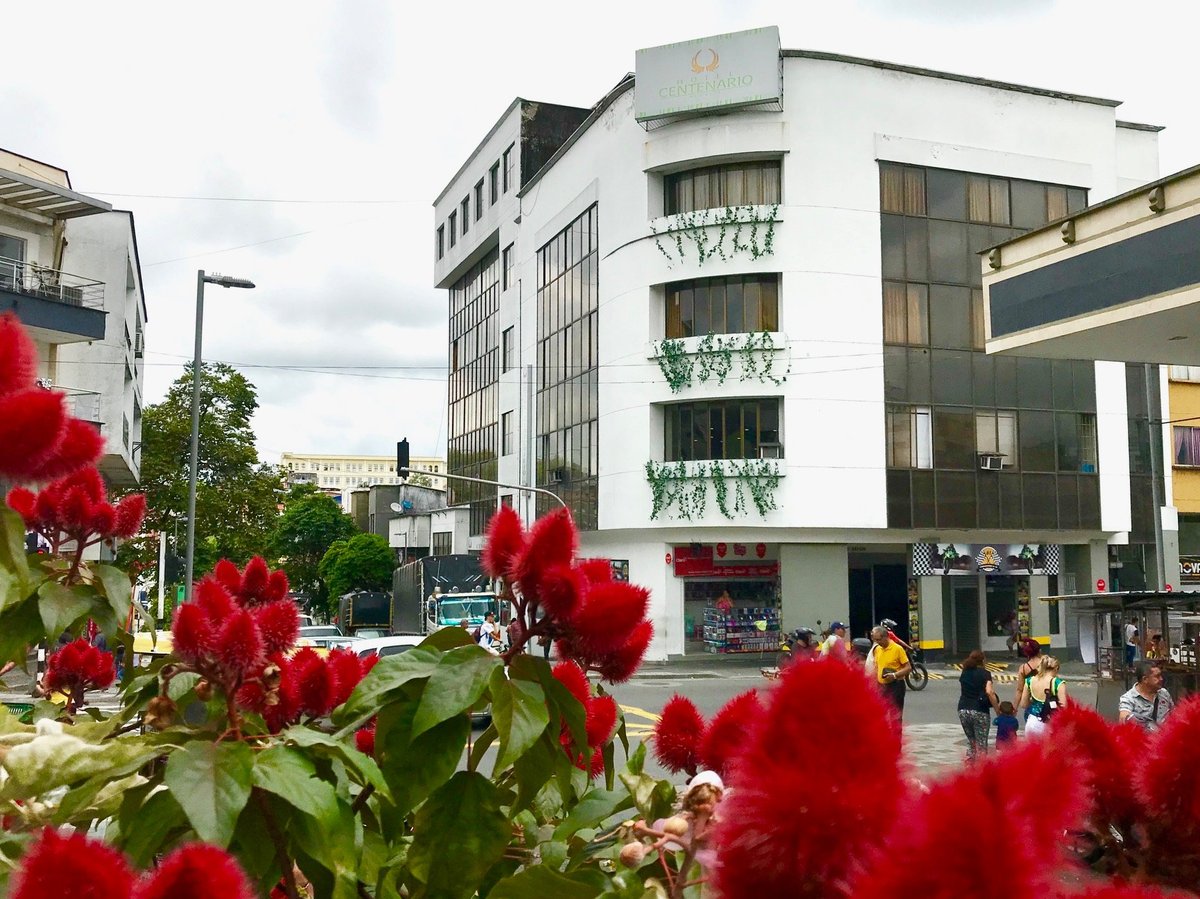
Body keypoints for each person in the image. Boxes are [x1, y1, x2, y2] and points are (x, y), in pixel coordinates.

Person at [957, 650, 999, 760]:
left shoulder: (964, 672)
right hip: (979, 710)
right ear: (983, 661)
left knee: (971, 742)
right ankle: (981, 771)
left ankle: (969, 768)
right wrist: (997, 710)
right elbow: (990, 692)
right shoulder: (985, 674)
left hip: (963, 710)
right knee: (981, 745)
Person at [1016, 655, 1068, 738]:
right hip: (1050, 724)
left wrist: (1034, 703)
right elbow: (1064, 707)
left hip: (1032, 723)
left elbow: (1023, 704)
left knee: (1032, 750)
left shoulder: (1030, 681)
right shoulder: (1058, 683)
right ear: (1056, 668)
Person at [1118, 660, 1174, 731]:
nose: (1161, 679)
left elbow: (1174, 715)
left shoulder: (1164, 693)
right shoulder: (1128, 699)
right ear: (1145, 679)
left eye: (1161, 675)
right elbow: (1123, 718)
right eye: (1157, 676)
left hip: (1167, 739)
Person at [870, 626, 910, 723]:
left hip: (896, 685)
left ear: (886, 637)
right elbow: (876, 667)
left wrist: (895, 675)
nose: (877, 642)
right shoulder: (878, 649)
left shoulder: (897, 649)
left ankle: (896, 737)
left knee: (895, 715)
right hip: (882, 686)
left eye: (879, 640)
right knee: (880, 713)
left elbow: (908, 667)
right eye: (875, 640)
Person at [1013, 638, 1043, 716]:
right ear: (1039, 651)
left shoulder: (1023, 668)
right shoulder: (1047, 664)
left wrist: (1014, 708)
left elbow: (1020, 690)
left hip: (1031, 707)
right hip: (1047, 705)